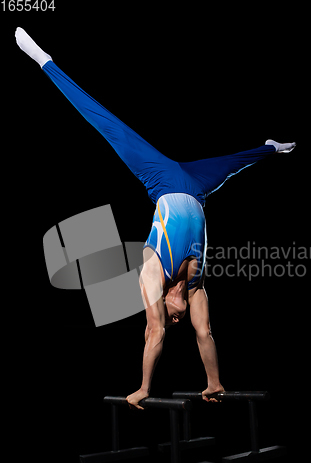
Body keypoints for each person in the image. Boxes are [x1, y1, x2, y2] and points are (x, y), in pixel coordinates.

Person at [15, 28, 296, 409]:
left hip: (161, 179)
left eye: (172, 317)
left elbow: (154, 331)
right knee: (234, 165)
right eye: (178, 319)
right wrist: (214, 381)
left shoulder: (151, 275)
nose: (176, 320)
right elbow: (205, 334)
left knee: (110, 127)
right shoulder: (196, 292)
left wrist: (145, 387)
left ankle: (43, 59)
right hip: (197, 188)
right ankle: (268, 149)